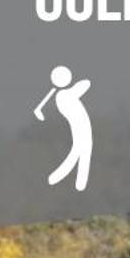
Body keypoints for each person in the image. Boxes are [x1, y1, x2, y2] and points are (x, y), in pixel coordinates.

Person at [34, 65, 94, 193]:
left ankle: (67, 181)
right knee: (80, 154)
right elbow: (85, 84)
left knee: (79, 154)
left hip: (83, 129)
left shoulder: (61, 95)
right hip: (81, 130)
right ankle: (64, 180)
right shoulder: (64, 95)